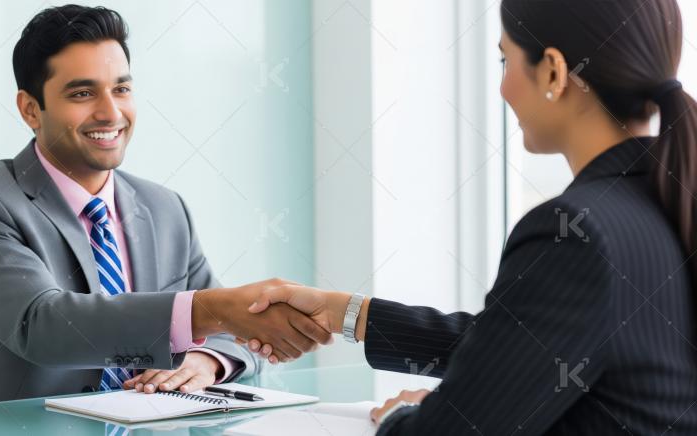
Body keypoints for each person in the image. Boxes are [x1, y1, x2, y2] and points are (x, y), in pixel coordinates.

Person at [237, 0, 697, 434]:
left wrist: (402, 414)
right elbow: (527, 349)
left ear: (554, 71)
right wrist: (350, 314)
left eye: (505, 62)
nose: (502, 89)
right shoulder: (666, 203)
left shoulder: (578, 233)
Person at [0, 5, 329, 406]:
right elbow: (43, 325)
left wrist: (204, 358)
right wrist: (216, 309)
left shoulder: (165, 209)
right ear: (31, 108)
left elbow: (230, 331)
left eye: (121, 89)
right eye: (83, 93)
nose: (111, 112)